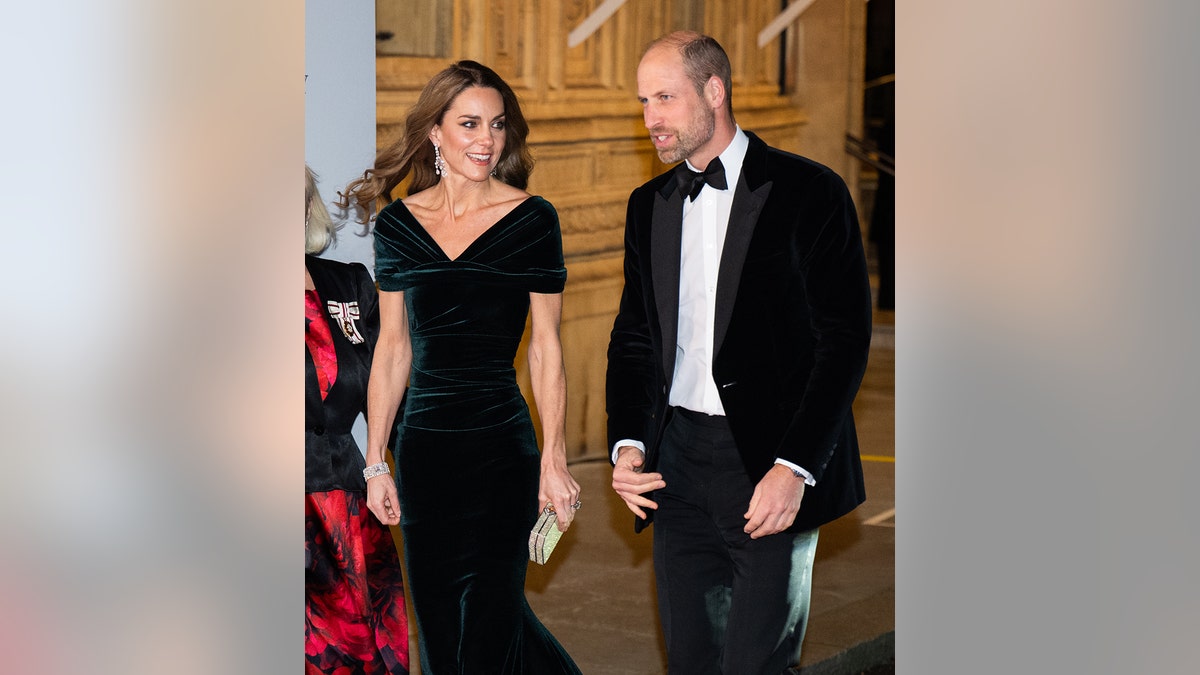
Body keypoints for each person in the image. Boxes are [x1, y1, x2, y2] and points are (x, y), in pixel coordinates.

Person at [606, 32, 873, 674]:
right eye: (644, 102)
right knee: (690, 660)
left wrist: (795, 467)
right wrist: (628, 443)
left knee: (758, 663)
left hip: (768, 464)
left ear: (715, 92)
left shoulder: (811, 191)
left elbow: (843, 340)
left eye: (665, 98)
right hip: (676, 469)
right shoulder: (650, 205)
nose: (651, 120)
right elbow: (636, 334)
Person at [337, 60, 583, 674]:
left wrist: (553, 459)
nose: (486, 139)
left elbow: (546, 348)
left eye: (497, 126)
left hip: (503, 447)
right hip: (424, 454)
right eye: (469, 123)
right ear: (435, 134)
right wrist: (375, 464)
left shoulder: (532, 220)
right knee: (444, 637)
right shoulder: (398, 225)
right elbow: (393, 349)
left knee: (491, 629)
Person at [305, 164, 410, 674]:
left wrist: (385, 468)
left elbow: (389, 389)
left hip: (352, 503)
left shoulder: (348, 284)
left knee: (368, 655)